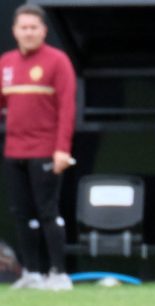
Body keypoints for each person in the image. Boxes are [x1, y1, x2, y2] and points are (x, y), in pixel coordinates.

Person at [0, 4, 76, 291]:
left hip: (45, 149)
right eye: (23, 28)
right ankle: (31, 272)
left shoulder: (57, 61)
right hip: (14, 150)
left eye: (34, 27)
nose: (29, 32)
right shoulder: (6, 62)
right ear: (15, 31)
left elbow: (67, 108)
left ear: (44, 30)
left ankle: (58, 273)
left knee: (47, 212)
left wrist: (61, 150)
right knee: (21, 213)